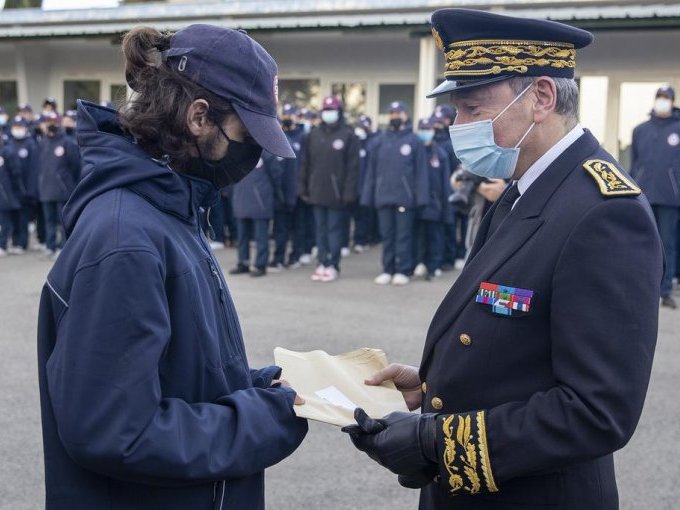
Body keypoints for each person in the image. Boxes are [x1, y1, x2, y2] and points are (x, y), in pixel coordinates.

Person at [342, 9, 663, 509]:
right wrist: (431, 387)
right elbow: (511, 347)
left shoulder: (603, 212)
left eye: (471, 108)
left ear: (541, 97)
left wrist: (437, 443)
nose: (458, 126)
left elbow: (597, 411)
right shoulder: (523, 191)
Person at [37, 25, 307, 510]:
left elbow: (173, 370)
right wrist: (265, 418)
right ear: (199, 118)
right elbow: (116, 431)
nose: (255, 155)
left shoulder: (169, 210)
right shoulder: (128, 239)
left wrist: (259, 385)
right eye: (246, 135)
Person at [361, 101, 429, 286]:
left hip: (405, 198)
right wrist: (368, 196)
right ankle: (387, 269)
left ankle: (403, 269)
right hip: (383, 196)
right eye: (392, 113)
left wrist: (421, 198)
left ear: (406, 116)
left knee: (404, 236)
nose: (395, 116)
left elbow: (421, 172)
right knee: (387, 236)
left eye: (399, 113)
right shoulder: (379, 141)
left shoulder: (414, 141)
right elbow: (371, 172)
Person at [299, 95, 360, 282]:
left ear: (339, 112)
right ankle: (321, 263)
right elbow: (305, 164)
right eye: (325, 110)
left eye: (332, 110)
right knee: (320, 230)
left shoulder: (348, 135)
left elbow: (353, 167)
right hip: (316, 190)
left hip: (337, 194)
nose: (328, 113)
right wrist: (302, 187)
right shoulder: (313, 135)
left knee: (334, 230)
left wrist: (349, 192)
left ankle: (333, 264)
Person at [630, 85, 680, 309]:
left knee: (667, 243)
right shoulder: (641, 130)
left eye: (666, 98)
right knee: (642, 242)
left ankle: (665, 290)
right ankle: (641, 287)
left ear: (672, 101)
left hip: (670, 197)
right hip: (643, 195)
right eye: (660, 97)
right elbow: (634, 164)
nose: (663, 101)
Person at [36, 111, 81, 257]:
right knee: (49, 221)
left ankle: (63, 248)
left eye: (55, 121)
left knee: (63, 222)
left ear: (59, 123)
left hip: (63, 189)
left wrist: (68, 183)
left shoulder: (67, 142)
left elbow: (76, 166)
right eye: (49, 122)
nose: (52, 124)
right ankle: (50, 246)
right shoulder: (42, 142)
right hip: (46, 189)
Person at [413, 117, 451, 279]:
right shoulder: (414, 151)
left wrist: (445, 206)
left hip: (435, 203)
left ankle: (434, 265)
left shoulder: (440, 153)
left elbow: (445, 183)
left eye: (428, 129)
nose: (425, 132)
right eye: (422, 129)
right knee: (418, 236)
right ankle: (420, 261)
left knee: (435, 236)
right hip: (416, 202)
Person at [230, 155, 278, 277]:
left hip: (260, 200)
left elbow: (276, 176)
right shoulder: (239, 152)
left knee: (261, 236)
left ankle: (261, 264)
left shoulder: (267, 153)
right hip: (241, 197)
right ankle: (243, 262)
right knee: (242, 235)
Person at [0, 136, 23, 256]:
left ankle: (6, 244)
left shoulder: (7, 152)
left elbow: (16, 173)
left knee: (8, 220)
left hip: (7, 194)